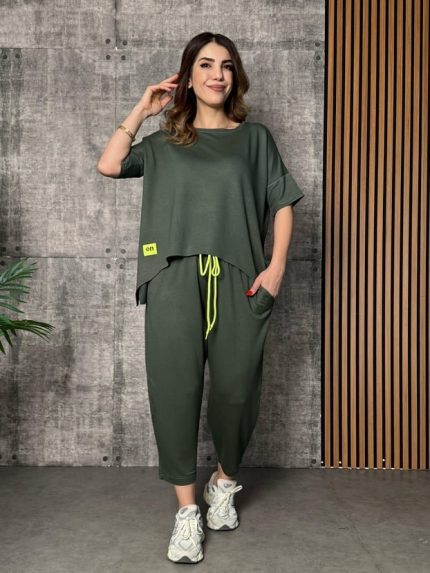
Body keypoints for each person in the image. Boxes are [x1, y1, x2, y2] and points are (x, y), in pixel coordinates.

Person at [97, 31, 304, 564]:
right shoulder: (166, 142)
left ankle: (223, 481)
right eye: (206, 64)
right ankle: (187, 512)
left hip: (239, 279)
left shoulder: (254, 139)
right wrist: (142, 109)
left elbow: (282, 202)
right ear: (188, 75)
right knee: (175, 392)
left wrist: (276, 269)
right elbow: (110, 164)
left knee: (238, 393)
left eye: (227, 66)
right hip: (172, 278)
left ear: (235, 76)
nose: (218, 74)